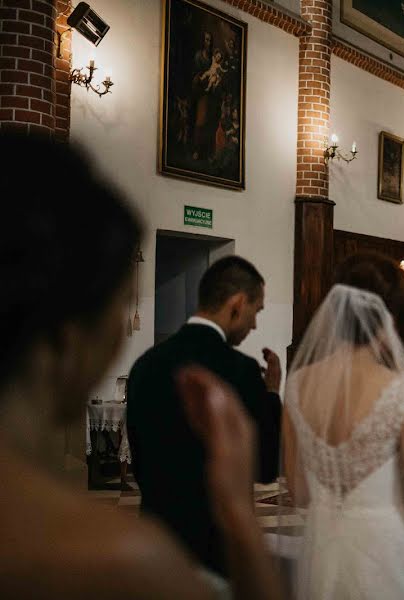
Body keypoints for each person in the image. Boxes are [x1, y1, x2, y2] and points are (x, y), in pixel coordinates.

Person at [0, 133, 282, 599]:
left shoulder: (149, 365)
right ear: (66, 341)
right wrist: (237, 510)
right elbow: (267, 464)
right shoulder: (114, 558)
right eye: (118, 308)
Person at [280, 253, 404, 599]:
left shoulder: (298, 384)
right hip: (386, 550)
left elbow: (299, 492)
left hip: (324, 548)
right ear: (392, 317)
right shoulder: (401, 392)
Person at [127, 256, 283, 576]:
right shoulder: (241, 371)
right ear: (238, 304)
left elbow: (139, 460)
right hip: (216, 546)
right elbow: (266, 467)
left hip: (155, 543)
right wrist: (270, 394)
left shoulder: (146, 364)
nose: (254, 324)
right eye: (257, 311)